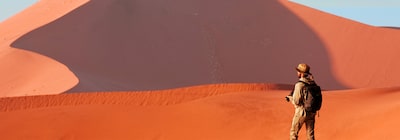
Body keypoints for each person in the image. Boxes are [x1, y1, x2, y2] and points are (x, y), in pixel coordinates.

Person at [286, 63, 317, 140]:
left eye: (298, 71)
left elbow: (296, 101)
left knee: (293, 133)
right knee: (310, 136)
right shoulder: (312, 83)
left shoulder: (299, 85)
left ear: (301, 73)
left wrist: (290, 98)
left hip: (302, 112)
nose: (297, 73)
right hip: (312, 112)